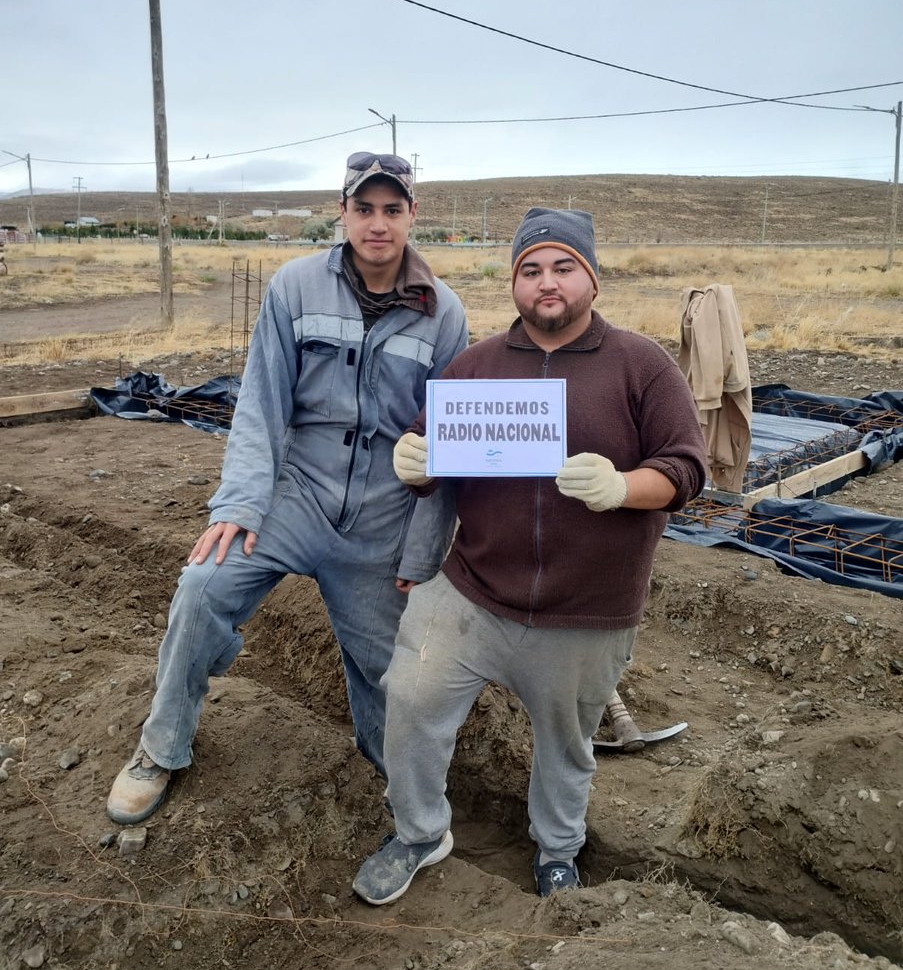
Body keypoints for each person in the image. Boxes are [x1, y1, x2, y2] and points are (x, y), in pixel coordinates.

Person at [352, 207, 707, 904]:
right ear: (514, 285)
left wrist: (621, 487)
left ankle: (557, 851)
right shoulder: (475, 368)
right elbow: (431, 461)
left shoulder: (641, 366)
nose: (547, 283)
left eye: (562, 267)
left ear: (591, 280)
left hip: (587, 610)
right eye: (530, 270)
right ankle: (421, 832)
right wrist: (412, 459)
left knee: (566, 744)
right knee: (409, 699)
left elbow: (685, 469)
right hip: (472, 592)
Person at [106, 151, 468, 824]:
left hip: (381, 520)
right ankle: (161, 746)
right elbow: (261, 405)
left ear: (413, 216)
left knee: (387, 672)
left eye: (392, 210)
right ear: (343, 213)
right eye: (364, 208)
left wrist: (421, 554)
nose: (378, 223)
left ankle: (393, 779)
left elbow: (444, 445)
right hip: (293, 497)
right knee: (201, 588)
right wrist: (240, 503)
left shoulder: (443, 314)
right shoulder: (295, 287)